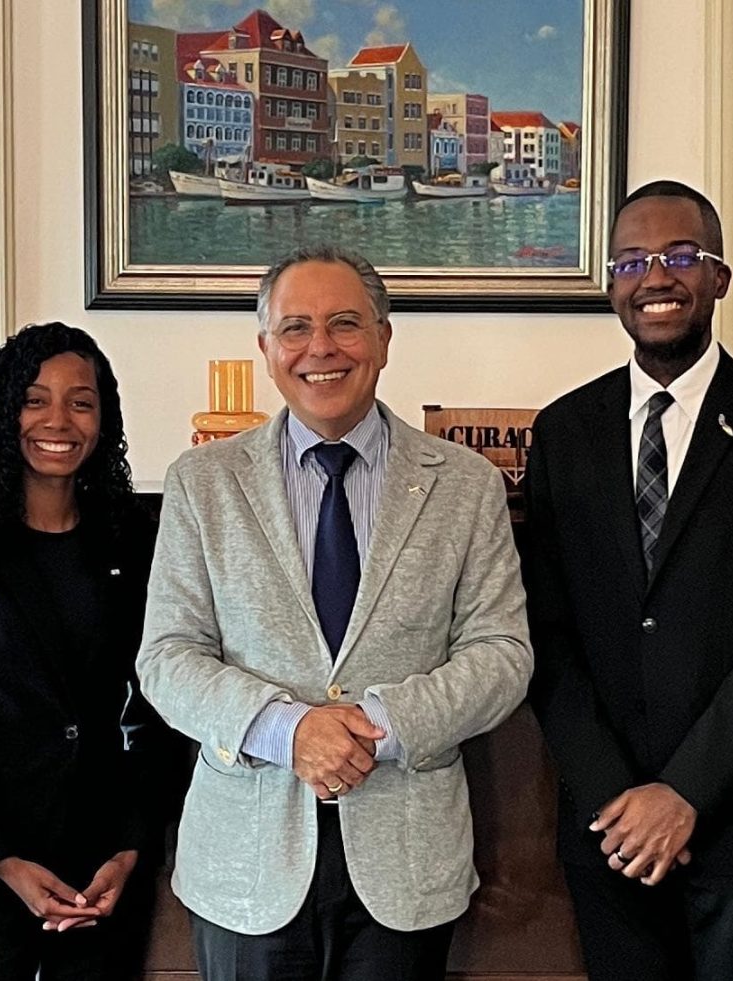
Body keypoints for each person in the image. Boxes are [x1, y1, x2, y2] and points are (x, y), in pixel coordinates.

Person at [135, 245, 534, 981]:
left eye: (345, 323)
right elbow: (167, 657)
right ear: (267, 349)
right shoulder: (203, 483)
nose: (320, 347)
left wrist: (378, 725)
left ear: (383, 338)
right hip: (246, 865)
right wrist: (288, 729)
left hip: (407, 860)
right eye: (295, 328)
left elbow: (501, 652)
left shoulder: (466, 485)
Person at [522, 180, 733, 981]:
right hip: (607, 822)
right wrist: (615, 795)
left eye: (680, 255)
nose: (655, 277)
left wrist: (686, 790)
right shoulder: (563, 431)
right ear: (610, 286)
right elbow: (546, 633)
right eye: (631, 260)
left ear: (719, 276)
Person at [0, 321, 185, 978]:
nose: (58, 420)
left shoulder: (137, 538)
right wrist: (3, 859)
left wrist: (132, 845)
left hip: (105, 859)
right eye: (35, 400)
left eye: (80, 402)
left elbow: (163, 701)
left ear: (103, 418)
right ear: (6, 412)